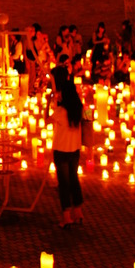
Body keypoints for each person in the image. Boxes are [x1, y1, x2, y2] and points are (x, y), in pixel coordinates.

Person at [50, 77, 84, 227]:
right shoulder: (79, 108)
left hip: (61, 150)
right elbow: (88, 119)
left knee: (64, 183)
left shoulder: (60, 111)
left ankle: (66, 216)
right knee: (74, 180)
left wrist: (48, 102)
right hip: (75, 149)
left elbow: (46, 119)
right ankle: (78, 212)